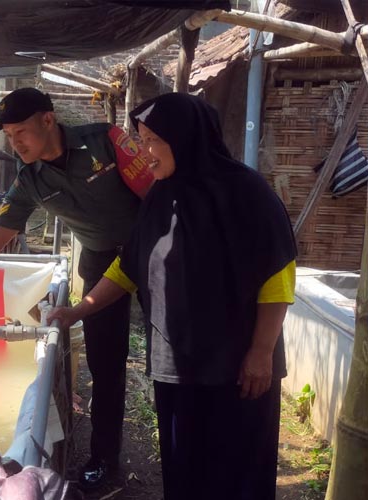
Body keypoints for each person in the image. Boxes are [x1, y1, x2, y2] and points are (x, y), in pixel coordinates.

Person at [49, 92, 297, 500]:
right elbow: (128, 268)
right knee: (185, 467)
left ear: (185, 138)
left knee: (238, 466)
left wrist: (261, 351)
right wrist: (76, 311)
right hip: (177, 364)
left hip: (238, 365)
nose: (144, 153)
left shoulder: (247, 193)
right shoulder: (161, 197)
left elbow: (278, 272)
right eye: (141, 141)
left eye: (151, 141)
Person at [0, 87, 141, 489]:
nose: (15, 143)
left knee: (174, 351)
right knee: (105, 367)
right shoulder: (28, 181)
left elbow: (158, 196)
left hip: (151, 250)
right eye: (9, 136)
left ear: (48, 120)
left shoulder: (104, 140)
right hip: (101, 261)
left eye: (22, 132)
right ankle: (105, 459)